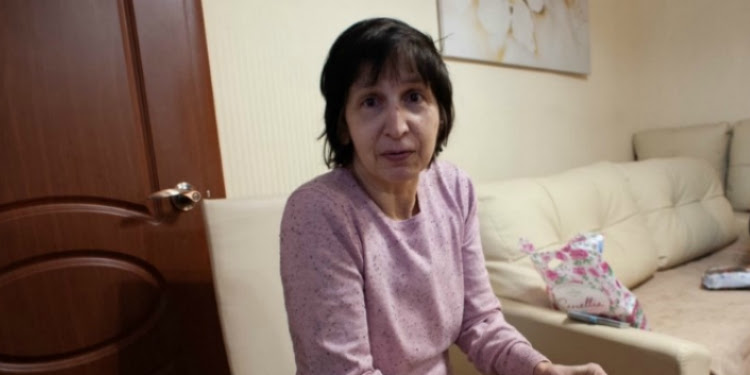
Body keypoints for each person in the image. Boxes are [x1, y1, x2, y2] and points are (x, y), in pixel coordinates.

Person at [280, 17, 607, 375]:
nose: (397, 126)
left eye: (414, 97)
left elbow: (479, 321)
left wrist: (541, 370)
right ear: (343, 125)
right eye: (371, 101)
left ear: (441, 113)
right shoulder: (320, 213)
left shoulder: (454, 189)